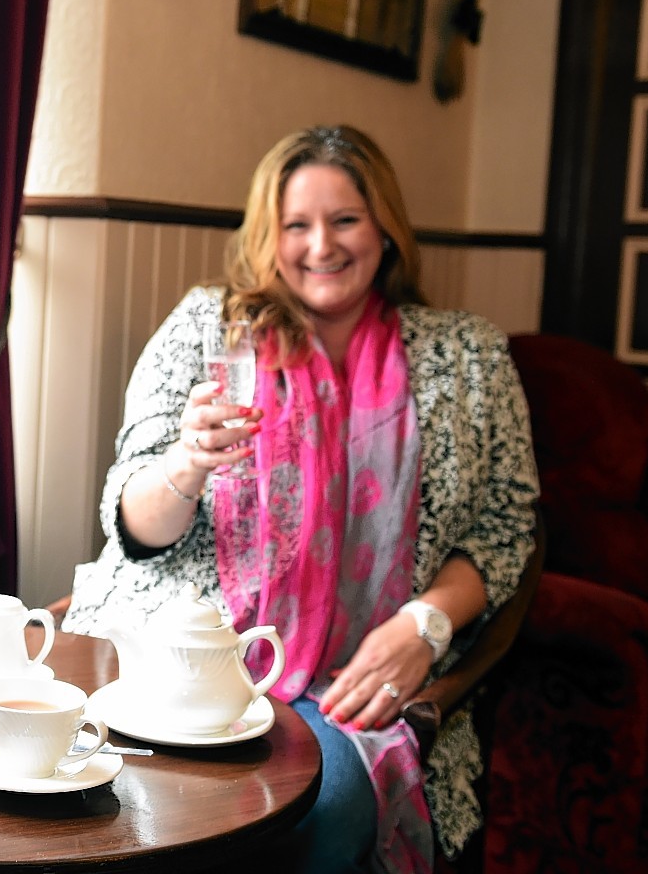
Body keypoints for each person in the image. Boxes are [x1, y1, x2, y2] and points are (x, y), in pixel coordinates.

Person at [61, 125, 538, 873]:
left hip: (352, 686)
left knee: (327, 807)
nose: (322, 245)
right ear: (269, 236)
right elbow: (133, 525)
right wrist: (187, 463)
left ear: (385, 228)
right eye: (297, 225)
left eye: (345, 219)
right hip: (178, 666)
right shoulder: (207, 327)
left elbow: (509, 528)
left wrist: (426, 623)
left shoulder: (468, 355)